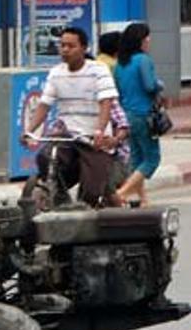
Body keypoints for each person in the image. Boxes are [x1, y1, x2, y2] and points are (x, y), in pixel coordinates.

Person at [24, 27, 122, 207]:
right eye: (62, 45)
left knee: (91, 193)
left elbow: (106, 103)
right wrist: (29, 131)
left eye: (71, 46)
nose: (65, 50)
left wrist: (99, 130)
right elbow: (44, 105)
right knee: (45, 158)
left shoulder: (99, 70)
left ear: (84, 48)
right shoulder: (56, 73)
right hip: (67, 136)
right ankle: (59, 196)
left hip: (93, 140)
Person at [114, 23, 163, 207]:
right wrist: (160, 84)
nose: (149, 40)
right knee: (151, 158)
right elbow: (150, 86)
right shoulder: (143, 60)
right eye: (146, 37)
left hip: (127, 114)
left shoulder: (120, 64)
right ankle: (122, 193)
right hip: (144, 114)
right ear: (139, 40)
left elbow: (119, 90)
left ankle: (143, 199)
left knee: (136, 158)